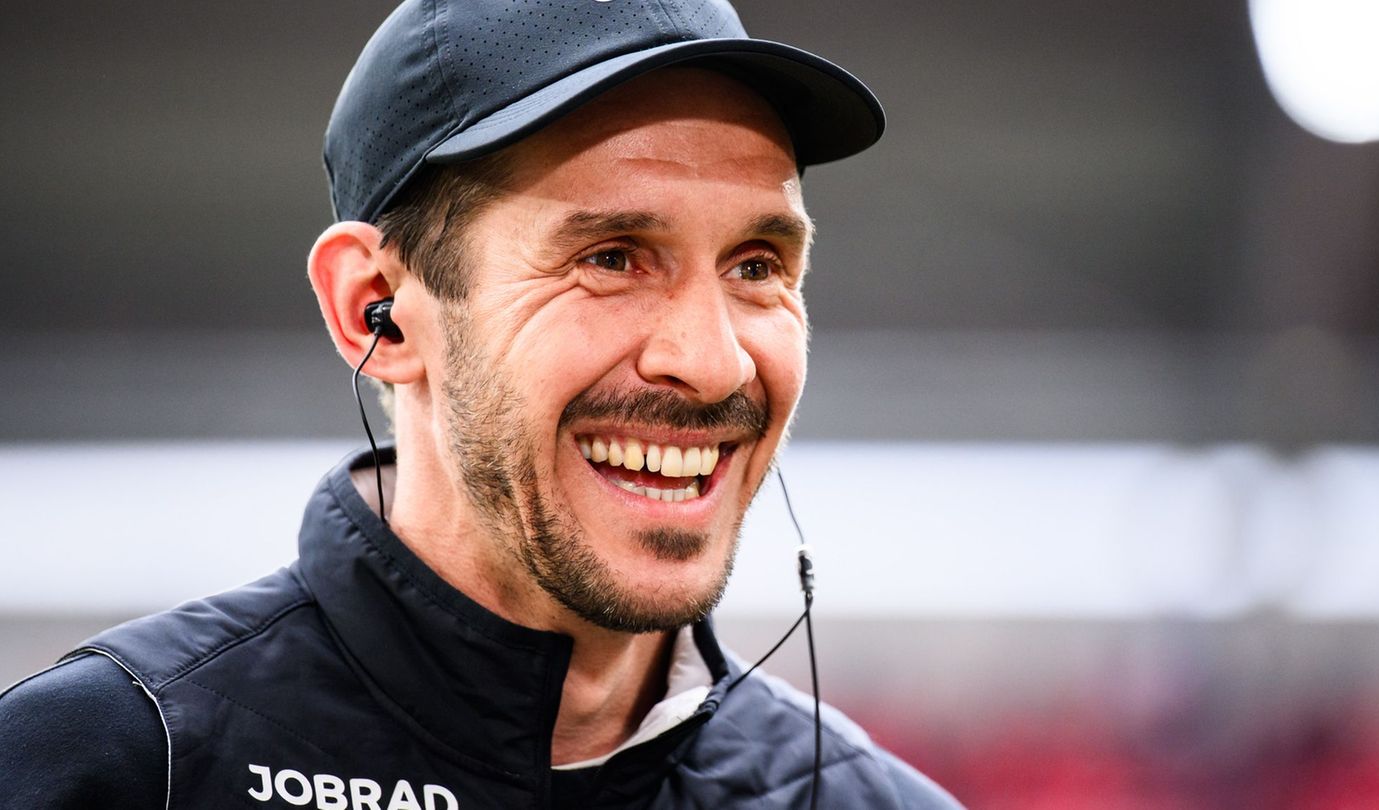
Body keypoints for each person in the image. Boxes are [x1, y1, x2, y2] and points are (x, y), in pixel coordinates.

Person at [0, 1, 962, 807]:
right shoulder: (118, 764)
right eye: (611, 257)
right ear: (375, 308)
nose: (711, 365)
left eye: (758, 267)